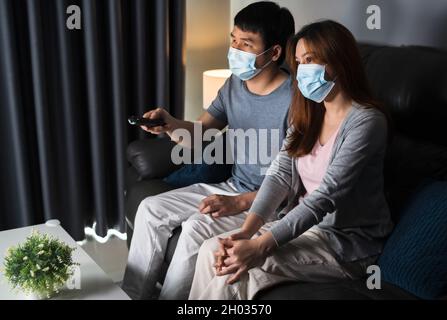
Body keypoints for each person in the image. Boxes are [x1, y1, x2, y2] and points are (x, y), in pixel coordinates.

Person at [189, 20, 394, 300]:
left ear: (339, 59)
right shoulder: (309, 114)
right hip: (303, 227)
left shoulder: (367, 122)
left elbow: (325, 197)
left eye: (310, 59)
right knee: (214, 249)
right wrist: (248, 231)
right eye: (298, 62)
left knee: (237, 270)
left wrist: (261, 246)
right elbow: (279, 174)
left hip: (344, 243)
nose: (302, 70)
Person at [122, 1, 295, 300]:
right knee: (151, 208)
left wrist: (240, 203)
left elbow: (296, 180)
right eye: (234, 40)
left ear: (275, 52)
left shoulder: (295, 100)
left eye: (246, 43)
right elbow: (200, 134)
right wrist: (171, 125)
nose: (235, 49)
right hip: (233, 186)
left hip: (268, 203)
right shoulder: (234, 85)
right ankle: (131, 296)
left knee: (193, 229)